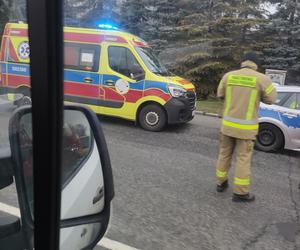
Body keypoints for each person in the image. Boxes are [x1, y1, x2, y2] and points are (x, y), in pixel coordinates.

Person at [215, 52, 277, 202]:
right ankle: (240, 193)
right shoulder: (262, 79)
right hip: (246, 129)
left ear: (242, 62)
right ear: (256, 64)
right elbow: (272, 99)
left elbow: (220, 94)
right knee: (243, 159)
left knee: (224, 154)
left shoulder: (228, 76)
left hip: (228, 126)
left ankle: (220, 183)